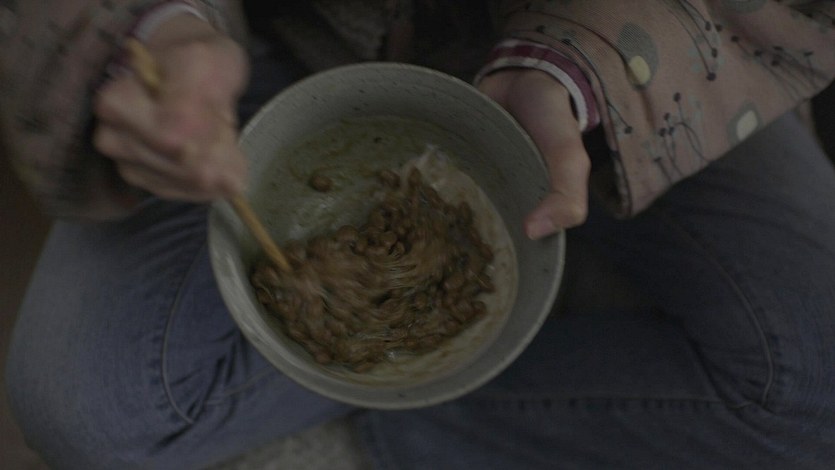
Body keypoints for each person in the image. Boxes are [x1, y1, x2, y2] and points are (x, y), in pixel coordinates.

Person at [3, 0, 835, 468]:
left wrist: (587, 72)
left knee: (815, 383)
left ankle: (437, 396)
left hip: (637, 45)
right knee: (89, 414)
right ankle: (402, 398)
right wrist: (151, 31)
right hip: (273, 39)